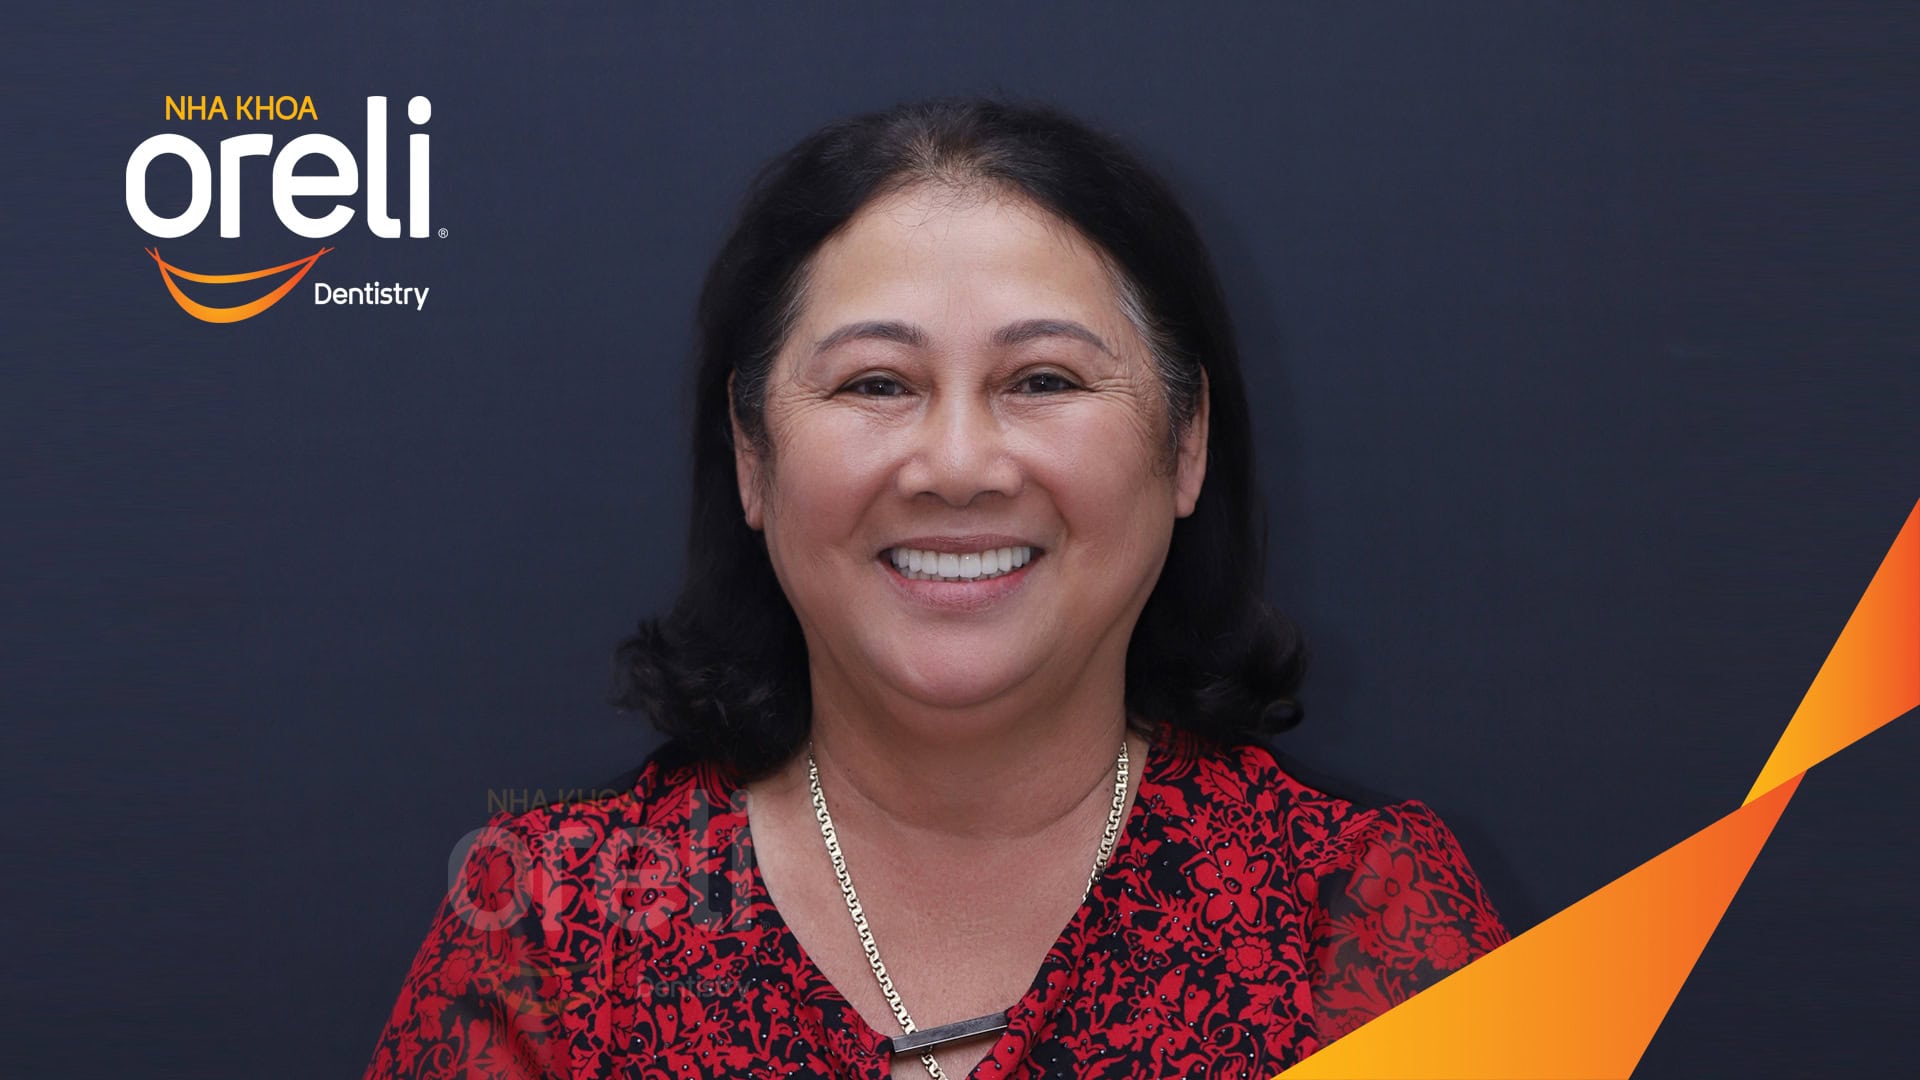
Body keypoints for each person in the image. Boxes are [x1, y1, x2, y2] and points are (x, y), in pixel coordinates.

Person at [364, 97, 1507, 1080]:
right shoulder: (550, 928)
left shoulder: (1354, 914)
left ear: (1188, 441)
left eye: (1043, 378)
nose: (958, 465)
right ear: (753, 455)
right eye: (876, 383)